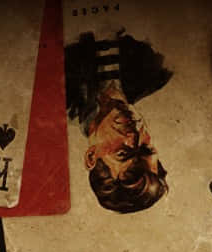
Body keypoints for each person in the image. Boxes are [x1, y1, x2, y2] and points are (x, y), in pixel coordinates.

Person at [63, 30, 171, 212]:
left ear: (91, 156)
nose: (133, 136)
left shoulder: (59, 96)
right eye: (145, 148)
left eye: (122, 153)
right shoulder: (152, 73)